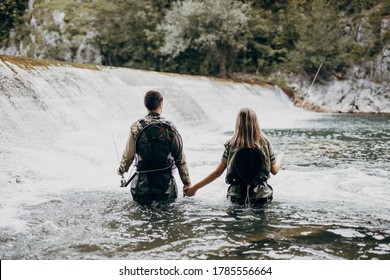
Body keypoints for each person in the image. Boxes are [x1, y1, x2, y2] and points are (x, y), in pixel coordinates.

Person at [183, 107, 284, 205]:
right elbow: (274, 170)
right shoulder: (265, 143)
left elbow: (217, 173)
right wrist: (280, 158)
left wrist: (194, 188)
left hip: (236, 196)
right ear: (256, 123)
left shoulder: (231, 144)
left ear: (238, 124)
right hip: (262, 196)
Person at [117, 90, 191, 205]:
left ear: (145, 104)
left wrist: (122, 170)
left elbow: (128, 155)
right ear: (161, 104)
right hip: (165, 186)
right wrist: (186, 183)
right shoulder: (170, 127)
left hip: (141, 185)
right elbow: (180, 159)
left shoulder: (136, 126)